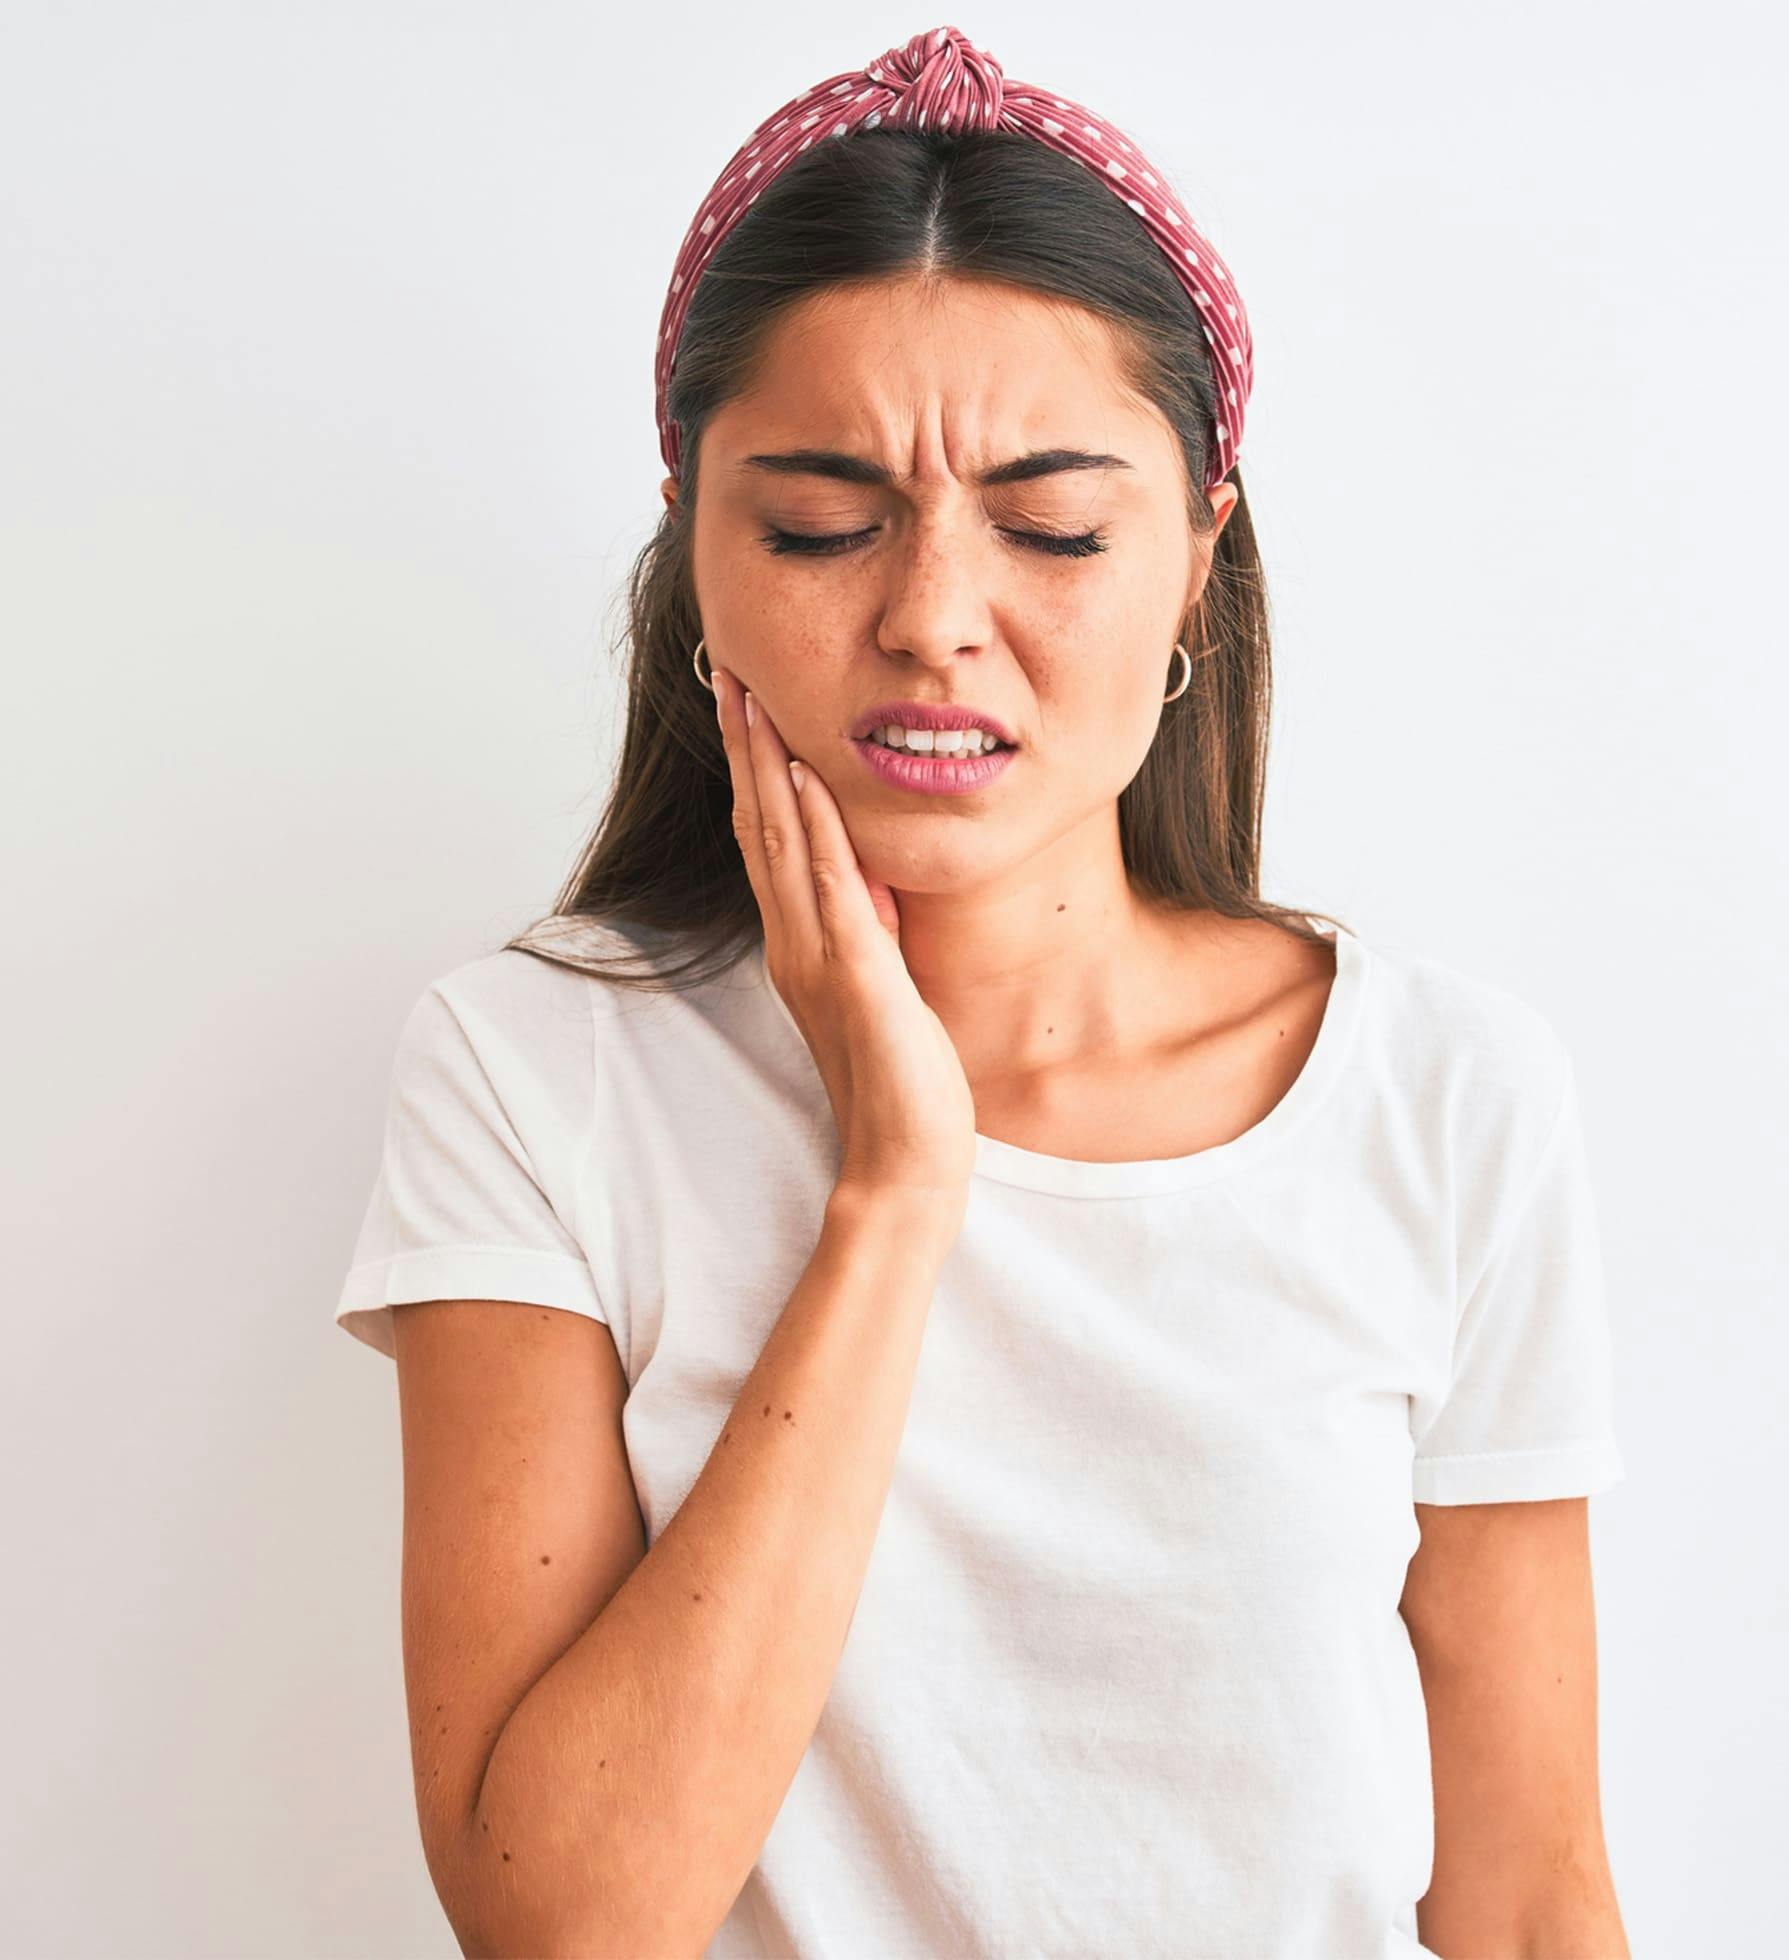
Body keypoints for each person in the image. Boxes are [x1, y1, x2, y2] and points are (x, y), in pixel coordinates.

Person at [334, 24, 1629, 1958]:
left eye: (1054, 529)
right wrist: (893, 1187)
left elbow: (1528, 1900)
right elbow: (569, 1926)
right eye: (819, 523)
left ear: (1196, 552)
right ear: (693, 539)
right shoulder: (537, 1071)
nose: (935, 619)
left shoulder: (1441, 1092)